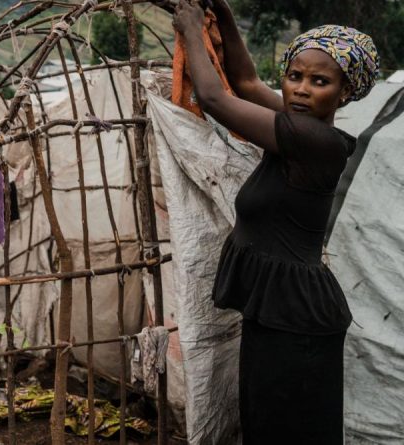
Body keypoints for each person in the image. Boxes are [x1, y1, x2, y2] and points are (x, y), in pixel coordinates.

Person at [173, 1, 379, 443]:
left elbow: (214, 97)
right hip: (282, 310)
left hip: (296, 319)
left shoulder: (315, 140)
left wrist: (191, 29)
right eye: (295, 76)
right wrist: (223, 16)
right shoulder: (295, 122)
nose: (302, 89)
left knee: (285, 430)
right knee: (265, 423)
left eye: (320, 81)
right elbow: (246, 82)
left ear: (344, 93)